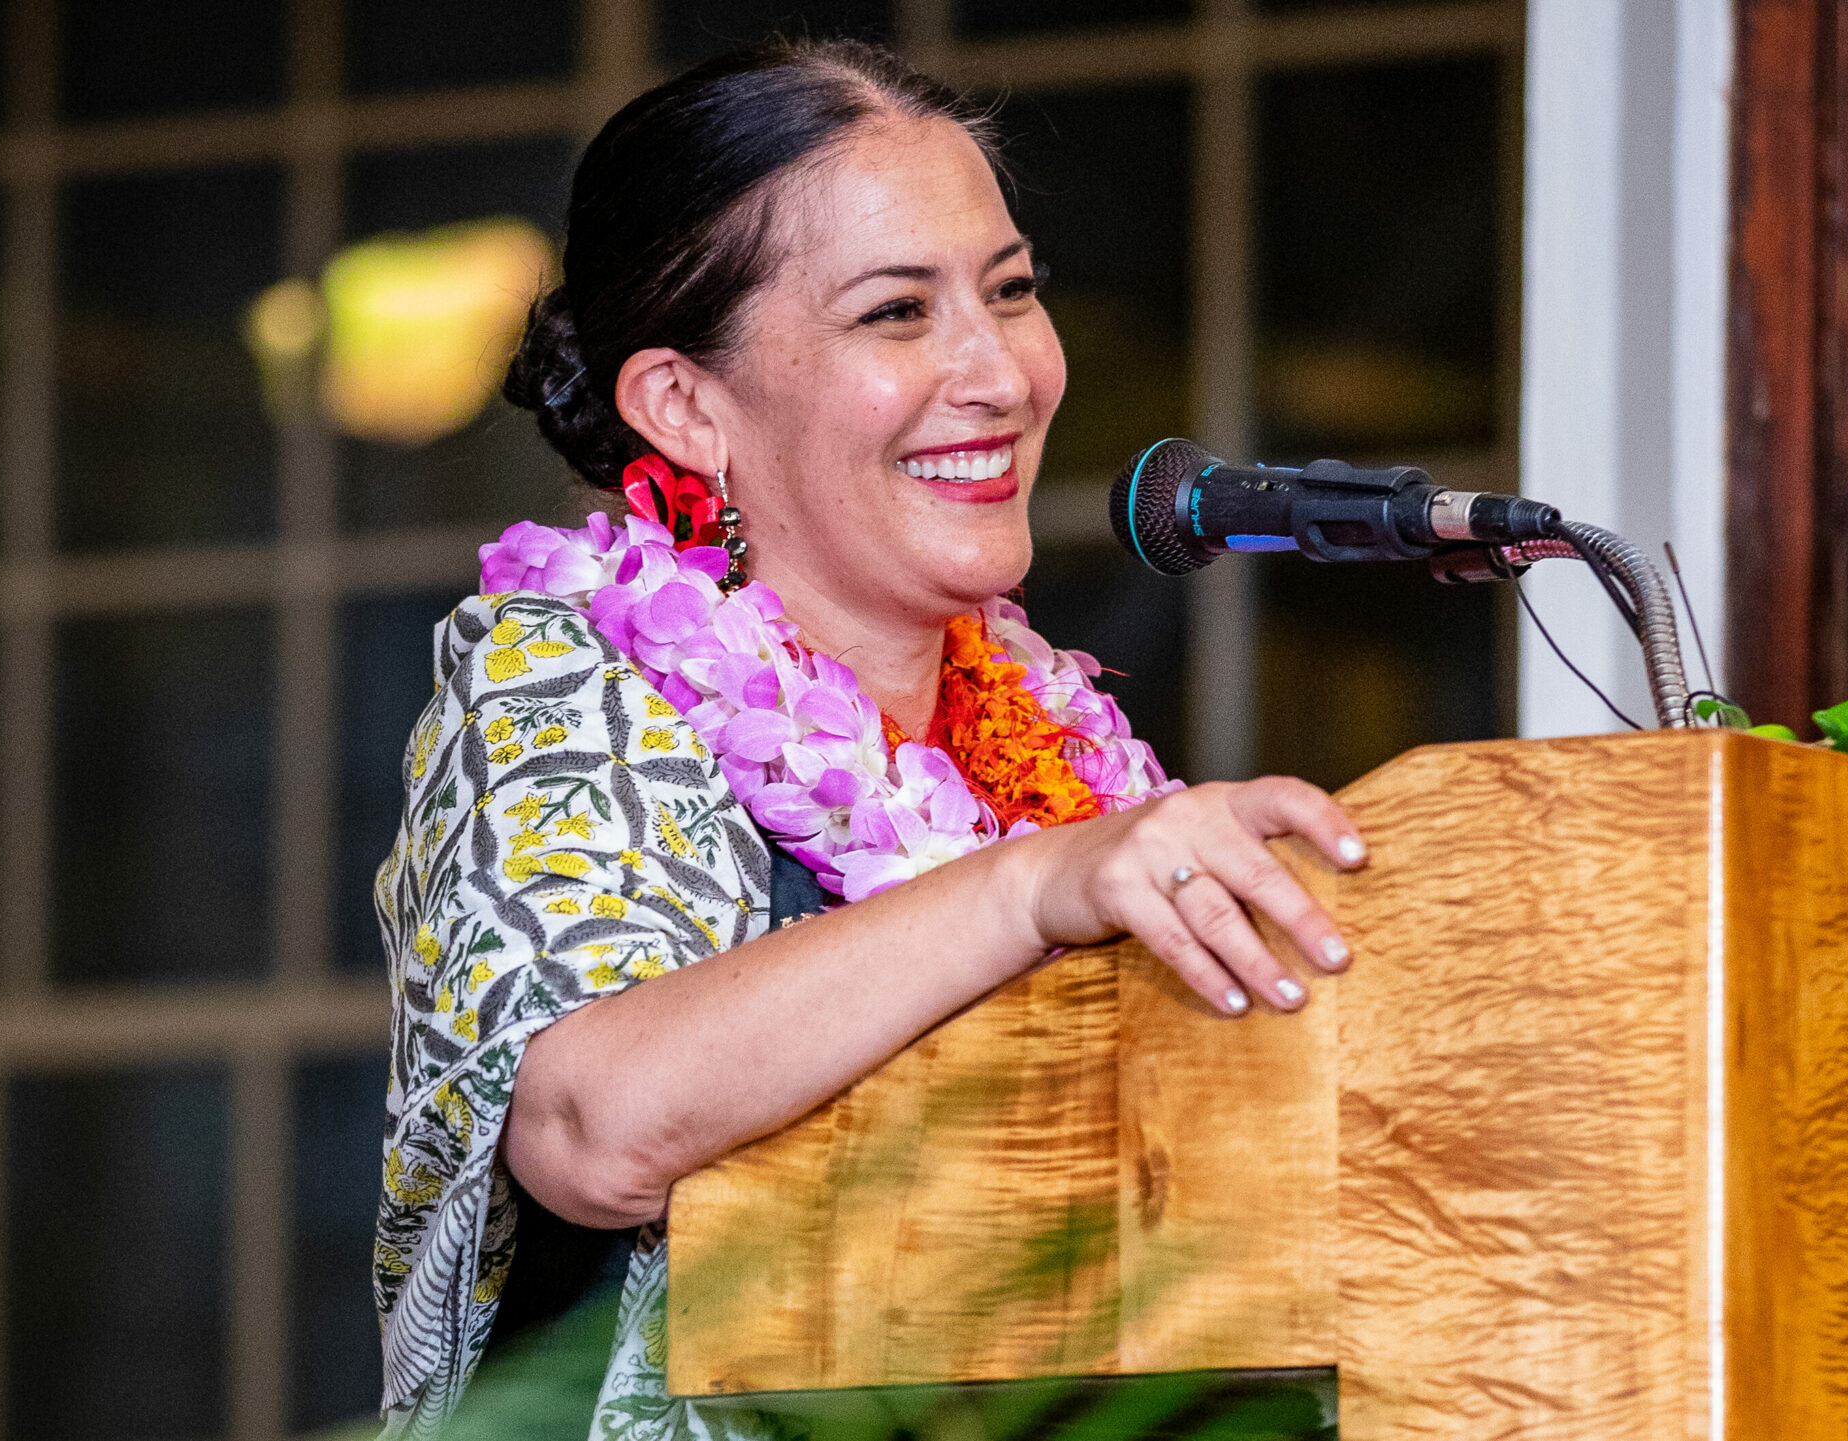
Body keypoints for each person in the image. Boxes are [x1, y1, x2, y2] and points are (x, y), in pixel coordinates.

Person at [373, 38, 1367, 1440]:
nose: (1000, 372)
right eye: (898, 312)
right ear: (686, 405)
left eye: (1010, 292)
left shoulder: (1051, 737)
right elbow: (593, 1127)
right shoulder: (566, 674)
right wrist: (1032, 889)